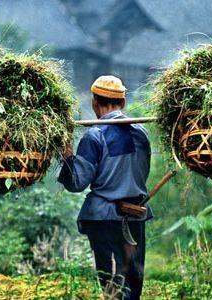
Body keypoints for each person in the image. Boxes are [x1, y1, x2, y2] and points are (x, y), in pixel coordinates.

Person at [58, 75, 152, 300]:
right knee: (132, 281)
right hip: (135, 215)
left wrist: (68, 157)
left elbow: (77, 182)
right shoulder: (142, 133)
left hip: (106, 219)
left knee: (111, 283)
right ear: (123, 103)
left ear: (94, 102)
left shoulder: (95, 136)